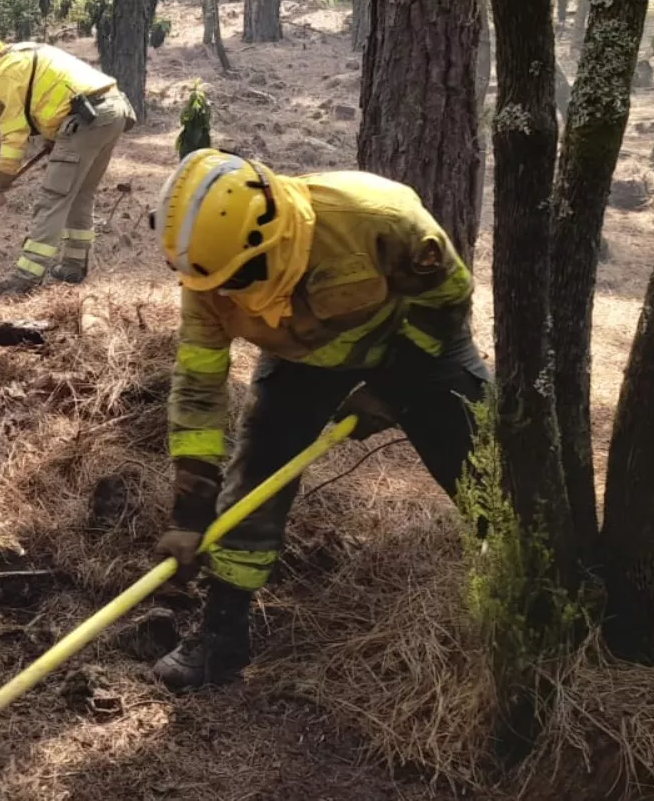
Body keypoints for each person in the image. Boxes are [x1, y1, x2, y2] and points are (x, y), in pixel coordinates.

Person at [146, 148, 488, 689]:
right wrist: (189, 516)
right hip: (301, 360)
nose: (229, 295)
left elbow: (449, 298)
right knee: (254, 480)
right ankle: (223, 634)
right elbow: (197, 390)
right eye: (219, 285)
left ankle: (532, 603)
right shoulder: (207, 282)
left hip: (417, 349)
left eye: (242, 278)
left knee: (489, 479)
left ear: (272, 236)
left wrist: (392, 388)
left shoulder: (380, 219)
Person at [0, 22, 136, 288]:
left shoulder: (0, 76)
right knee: (79, 195)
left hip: (86, 119)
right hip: (112, 111)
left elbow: (13, 140)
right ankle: (73, 266)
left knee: (52, 199)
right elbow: (50, 95)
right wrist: (55, 136)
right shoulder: (19, 54)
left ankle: (25, 278)